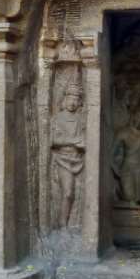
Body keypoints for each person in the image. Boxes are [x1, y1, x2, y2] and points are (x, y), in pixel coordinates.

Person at [51, 81, 86, 227]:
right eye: (71, 98)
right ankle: (62, 223)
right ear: (65, 99)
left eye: (76, 99)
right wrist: (73, 141)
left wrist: (83, 142)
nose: (73, 102)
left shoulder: (81, 119)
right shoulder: (57, 118)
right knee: (68, 192)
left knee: (80, 193)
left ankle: (72, 222)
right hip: (62, 159)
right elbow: (53, 140)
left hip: (78, 159)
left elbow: (85, 138)